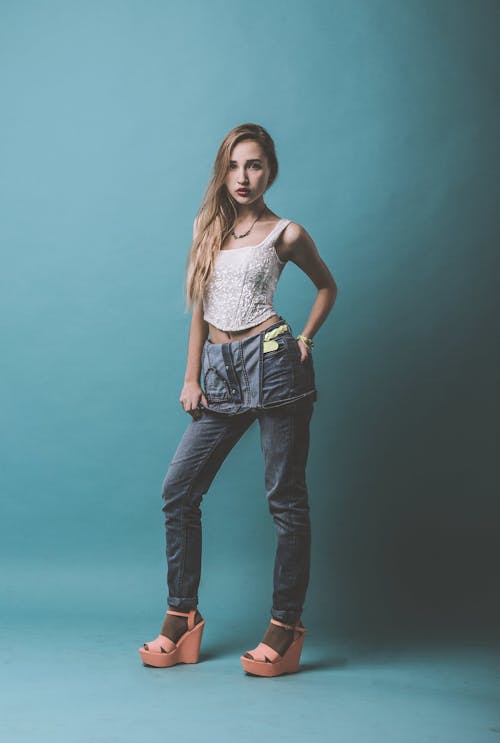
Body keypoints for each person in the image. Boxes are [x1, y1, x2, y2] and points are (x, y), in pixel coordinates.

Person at [138, 123, 338, 677]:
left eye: (253, 165)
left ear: (269, 169)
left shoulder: (286, 233)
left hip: (274, 365)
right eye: (233, 166)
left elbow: (328, 285)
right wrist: (190, 377)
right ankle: (182, 616)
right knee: (179, 490)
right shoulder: (210, 229)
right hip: (218, 375)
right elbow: (201, 312)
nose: (243, 177)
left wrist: (305, 339)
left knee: (284, 499)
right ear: (222, 172)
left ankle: (284, 625)